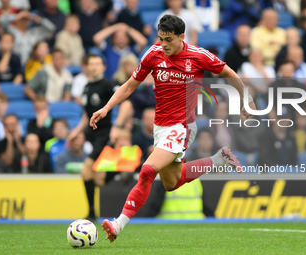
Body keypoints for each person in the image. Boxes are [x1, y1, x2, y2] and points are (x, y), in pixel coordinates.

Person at [89, 14, 256, 242]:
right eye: (160, 38)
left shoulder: (198, 56)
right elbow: (129, 85)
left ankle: (118, 224)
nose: (164, 44)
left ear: (181, 37)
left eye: (168, 40)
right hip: (161, 126)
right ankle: (218, 159)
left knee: (147, 171)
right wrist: (107, 108)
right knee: (171, 183)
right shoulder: (153, 53)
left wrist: (245, 99)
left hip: (182, 126)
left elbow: (229, 73)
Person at [66, 53, 133, 220]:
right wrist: (76, 131)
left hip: (104, 134)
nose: (94, 67)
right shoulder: (87, 87)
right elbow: (86, 115)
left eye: (97, 64)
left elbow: (126, 103)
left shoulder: (108, 84)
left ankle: (91, 213)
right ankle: (121, 168)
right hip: (92, 135)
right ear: (86, 67)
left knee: (85, 171)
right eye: (91, 64)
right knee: (97, 179)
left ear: (103, 67)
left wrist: (116, 126)